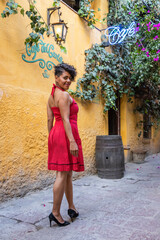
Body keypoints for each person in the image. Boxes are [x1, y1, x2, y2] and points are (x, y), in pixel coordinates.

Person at [47, 63, 85, 227]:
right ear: (56, 77)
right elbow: (66, 119)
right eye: (65, 77)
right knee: (62, 174)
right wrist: (71, 141)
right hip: (65, 135)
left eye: (70, 78)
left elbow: (50, 119)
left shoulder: (51, 95)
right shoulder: (62, 95)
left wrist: (51, 137)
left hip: (57, 133)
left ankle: (71, 207)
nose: (68, 81)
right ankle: (55, 213)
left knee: (67, 173)